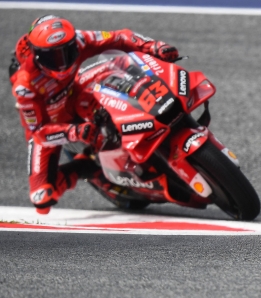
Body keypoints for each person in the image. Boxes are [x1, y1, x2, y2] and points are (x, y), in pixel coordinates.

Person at [10, 15, 180, 214]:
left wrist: (153, 46)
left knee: (121, 65)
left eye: (66, 51)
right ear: (37, 57)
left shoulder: (80, 39)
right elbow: (38, 132)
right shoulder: (25, 85)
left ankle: (151, 109)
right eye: (53, 57)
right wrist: (74, 132)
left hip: (78, 91)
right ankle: (87, 167)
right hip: (54, 125)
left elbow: (120, 37)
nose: (63, 62)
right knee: (42, 197)